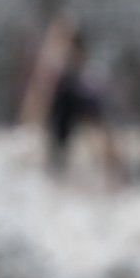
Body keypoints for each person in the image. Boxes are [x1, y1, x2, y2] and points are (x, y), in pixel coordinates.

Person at [45, 30, 119, 179]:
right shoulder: (60, 77)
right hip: (64, 131)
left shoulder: (89, 75)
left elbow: (96, 106)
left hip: (87, 126)